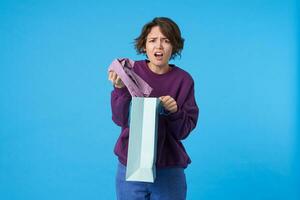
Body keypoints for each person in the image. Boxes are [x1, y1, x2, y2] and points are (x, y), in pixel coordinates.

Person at [108, 17, 199, 200]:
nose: (159, 46)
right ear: (144, 46)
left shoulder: (184, 80)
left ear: (174, 46)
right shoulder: (131, 72)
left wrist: (174, 112)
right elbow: (120, 119)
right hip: (130, 166)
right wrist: (120, 90)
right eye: (153, 40)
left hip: (168, 169)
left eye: (166, 41)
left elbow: (183, 131)